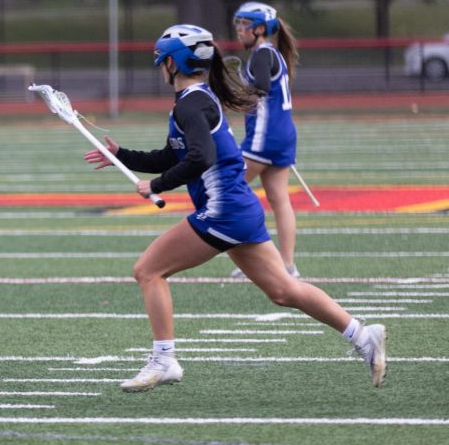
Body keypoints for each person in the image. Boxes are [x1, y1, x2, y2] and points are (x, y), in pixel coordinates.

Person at [84, 24, 385, 393]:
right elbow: (172, 154)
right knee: (284, 291)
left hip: (223, 211)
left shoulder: (192, 103)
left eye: (162, 61)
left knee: (148, 270)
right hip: (238, 210)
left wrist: (158, 185)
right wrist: (122, 156)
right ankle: (362, 334)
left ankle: (164, 359)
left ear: (174, 64)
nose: (160, 67)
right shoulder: (196, 99)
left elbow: (200, 157)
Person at [230, 1, 300, 279]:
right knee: (279, 198)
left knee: (227, 189)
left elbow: (259, 89)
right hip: (283, 134)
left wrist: (233, 93)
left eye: (243, 24)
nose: (238, 30)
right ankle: (287, 266)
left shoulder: (261, 55)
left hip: (265, 136)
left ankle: (256, 261)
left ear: (259, 29)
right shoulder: (274, 54)